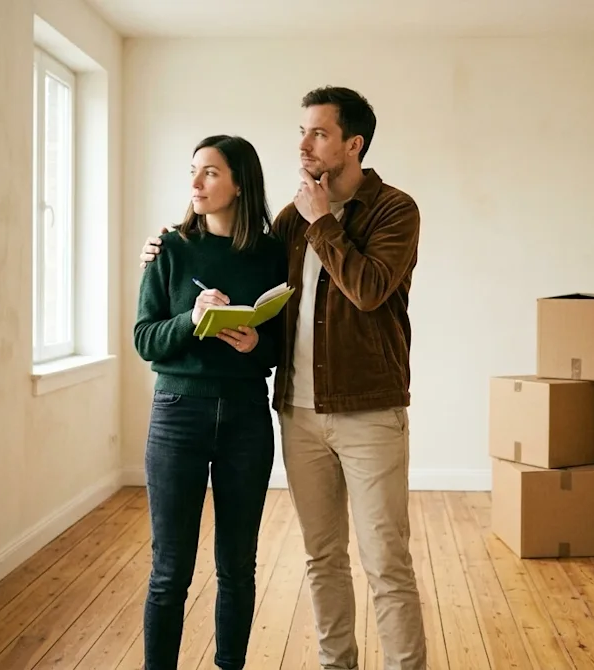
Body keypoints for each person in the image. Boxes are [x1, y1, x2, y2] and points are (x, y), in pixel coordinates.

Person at [140, 87, 426, 670]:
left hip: (368, 408)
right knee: (323, 558)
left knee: (385, 562)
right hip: (296, 411)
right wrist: (167, 254)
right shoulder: (288, 223)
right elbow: (274, 310)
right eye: (302, 132)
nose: (303, 145)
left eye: (318, 133)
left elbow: (370, 290)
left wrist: (324, 224)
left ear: (354, 143)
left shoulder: (393, 210)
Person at [133, 134, 286, 670]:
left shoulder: (271, 254)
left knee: (237, 566)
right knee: (170, 568)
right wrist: (190, 320)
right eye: (193, 171)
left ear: (239, 183)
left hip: (246, 416)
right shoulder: (170, 248)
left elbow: (283, 339)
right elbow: (145, 338)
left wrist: (257, 344)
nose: (196, 183)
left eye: (211, 173)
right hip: (178, 414)